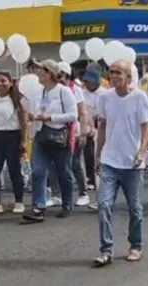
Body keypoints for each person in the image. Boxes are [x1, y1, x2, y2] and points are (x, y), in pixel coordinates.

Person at [93, 60, 148, 267]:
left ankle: (135, 246)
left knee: (135, 208)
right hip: (110, 161)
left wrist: (141, 151)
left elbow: (146, 128)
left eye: (118, 72)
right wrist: (97, 154)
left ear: (128, 76)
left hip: (132, 164)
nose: (113, 76)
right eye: (111, 72)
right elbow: (101, 126)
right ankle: (106, 249)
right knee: (103, 205)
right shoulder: (105, 97)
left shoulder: (139, 97)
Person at [22, 59, 78, 224]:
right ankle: (38, 207)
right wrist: (34, 116)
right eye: (38, 70)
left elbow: (73, 115)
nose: (39, 74)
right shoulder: (39, 92)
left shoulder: (64, 91)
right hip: (41, 135)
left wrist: (50, 117)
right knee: (38, 172)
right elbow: (35, 110)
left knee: (64, 173)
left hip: (59, 136)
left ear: (51, 74)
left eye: (42, 71)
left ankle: (67, 204)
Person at [0, 71, 29, 214]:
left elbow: (24, 121)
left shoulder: (17, 99)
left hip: (12, 136)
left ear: (11, 83)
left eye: (3, 81)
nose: (0, 84)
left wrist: (24, 140)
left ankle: (19, 201)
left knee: (14, 170)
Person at [59, 62, 91, 208]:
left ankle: (83, 193)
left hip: (74, 131)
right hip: (58, 130)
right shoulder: (53, 89)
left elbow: (82, 112)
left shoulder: (75, 89)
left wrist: (83, 133)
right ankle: (57, 194)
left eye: (62, 75)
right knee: (59, 164)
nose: (59, 78)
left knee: (74, 163)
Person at [82, 67, 108, 191]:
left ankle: (102, 177)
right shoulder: (83, 94)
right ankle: (90, 178)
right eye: (85, 81)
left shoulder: (105, 93)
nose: (86, 84)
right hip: (88, 127)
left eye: (88, 81)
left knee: (101, 153)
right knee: (88, 154)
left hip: (101, 127)